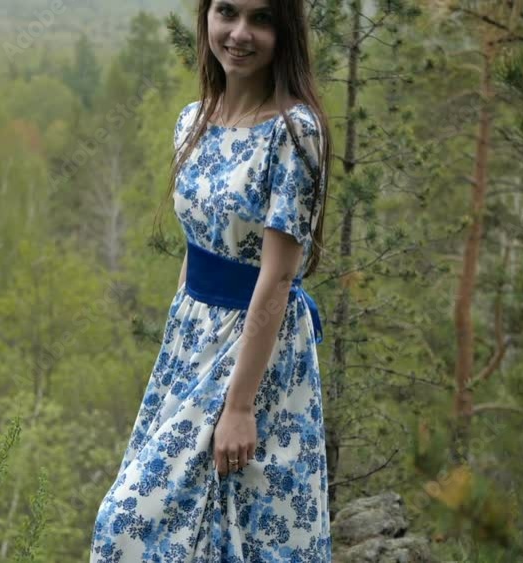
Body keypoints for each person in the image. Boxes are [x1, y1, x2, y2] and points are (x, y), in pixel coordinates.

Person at [90, 0, 333, 560]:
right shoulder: (192, 121)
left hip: (256, 349)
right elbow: (197, 245)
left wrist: (240, 405)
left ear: (285, 31)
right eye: (227, 12)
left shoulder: (294, 131)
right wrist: (178, 344)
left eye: (261, 18)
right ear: (206, 16)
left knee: (240, 526)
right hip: (191, 342)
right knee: (147, 526)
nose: (240, 33)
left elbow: (278, 275)